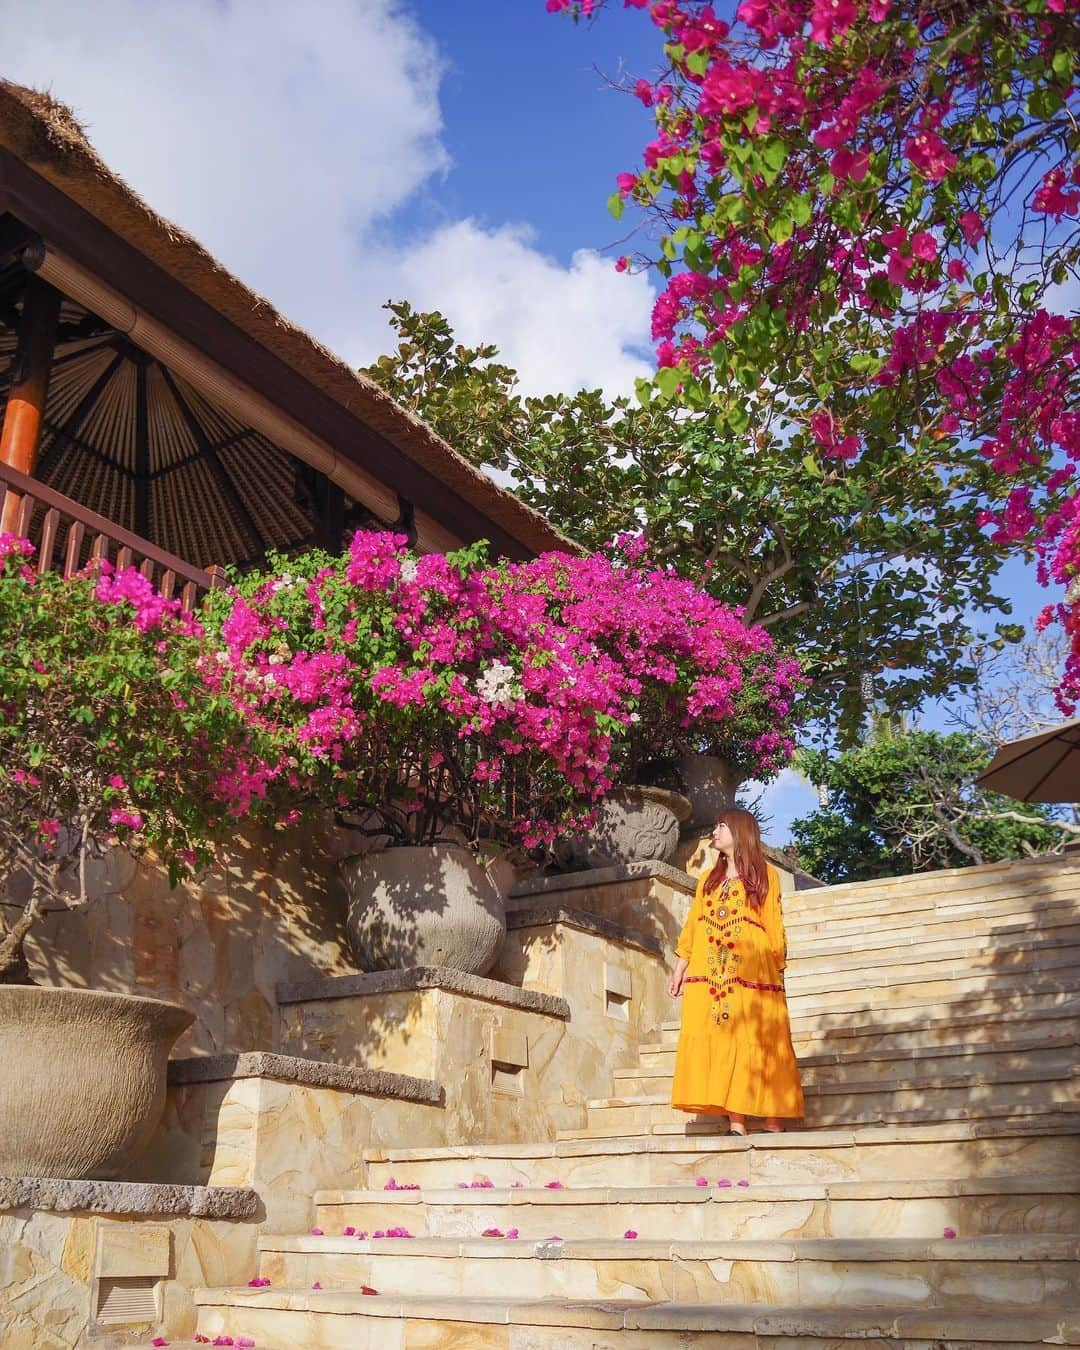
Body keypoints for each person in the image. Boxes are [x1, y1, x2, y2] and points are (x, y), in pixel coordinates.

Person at [668, 806, 804, 1134]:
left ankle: (773, 1118)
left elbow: (773, 921)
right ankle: (737, 1120)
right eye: (715, 827)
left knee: (758, 1038)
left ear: (740, 832)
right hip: (710, 971)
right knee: (723, 1038)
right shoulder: (707, 881)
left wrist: (777, 966)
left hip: (753, 972)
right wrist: (680, 966)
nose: (715, 833)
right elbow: (693, 925)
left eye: (722, 827)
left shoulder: (764, 876)